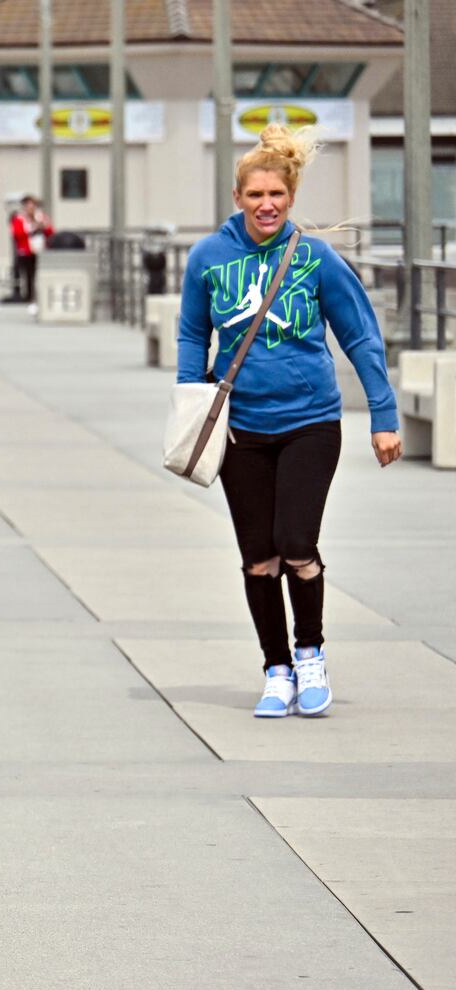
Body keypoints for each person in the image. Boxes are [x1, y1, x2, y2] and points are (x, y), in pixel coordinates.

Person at [176, 124, 401, 720]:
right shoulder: (208, 258)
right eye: (255, 195)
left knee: (296, 543)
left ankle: (310, 653)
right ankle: (275, 669)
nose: (266, 204)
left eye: (276, 194)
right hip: (241, 428)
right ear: (237, 198)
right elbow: (192, 334)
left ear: (290, 197)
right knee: (258, 556)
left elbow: (360, 335)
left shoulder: (312, 258)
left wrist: (384, 415)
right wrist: (188, 404)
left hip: (310, 421)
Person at [10, 195, 53, 312]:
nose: (31, 208)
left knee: (39, 274)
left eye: (33, 206)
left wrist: (43, 226)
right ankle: (30, 298)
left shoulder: (41, 217)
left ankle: (40, 297)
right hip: (26, 251)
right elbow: (17, 234)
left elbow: (50, 231)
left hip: (40, 250)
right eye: (28, 206)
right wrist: (32, 228)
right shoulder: (19, 219)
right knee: (29, 275)